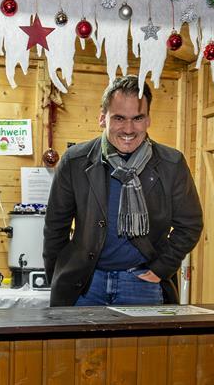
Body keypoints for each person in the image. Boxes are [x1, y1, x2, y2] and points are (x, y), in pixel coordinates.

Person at [44, 75, 203, 307]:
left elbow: (190, 224)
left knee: (144, 346)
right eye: (119, 118)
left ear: (148, 119)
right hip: (86, 283)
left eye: (137, 118)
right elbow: (55, 226)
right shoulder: (75, 161)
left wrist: (162, 268)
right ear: (102, 118)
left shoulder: (172, 163)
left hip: (143, 283)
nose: (128, 129)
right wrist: (58, 277)